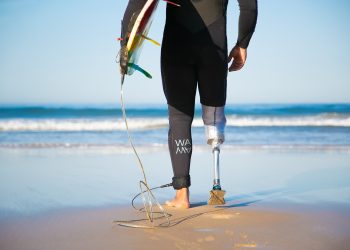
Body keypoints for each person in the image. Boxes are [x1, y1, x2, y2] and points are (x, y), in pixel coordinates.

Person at [121, 0, 258, 209]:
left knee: (179, 118)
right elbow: (249, 7)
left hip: (177, 48)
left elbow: (138, 5)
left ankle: (182, 194)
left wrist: (125, 46)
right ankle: (216, 185)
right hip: (214, 48)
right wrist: (242, 44)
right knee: (214, 118)